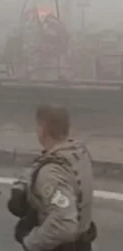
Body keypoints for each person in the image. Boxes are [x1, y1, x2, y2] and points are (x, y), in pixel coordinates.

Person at [8, 104, 96, 251]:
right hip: (83, 243)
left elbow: (64, 224)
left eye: (38, 126)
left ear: (43, 130)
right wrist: (24, 183)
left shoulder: (50, 173)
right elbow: (48, 161)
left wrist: (30, 241)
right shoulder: (78, 153)